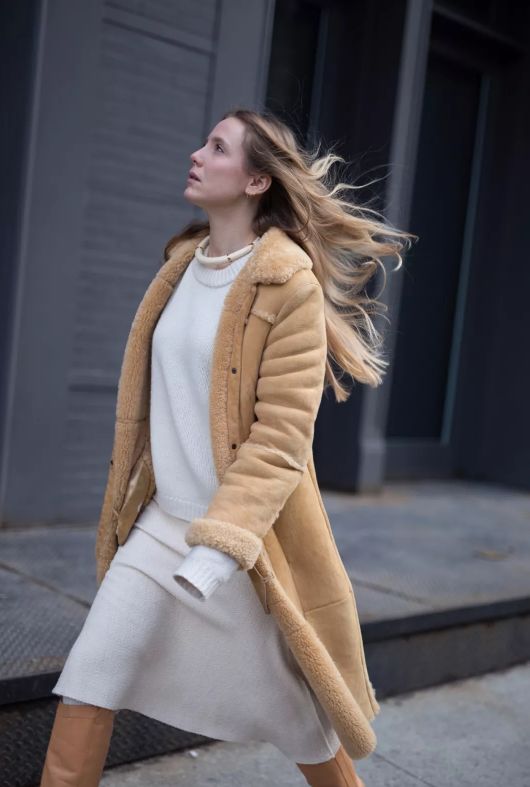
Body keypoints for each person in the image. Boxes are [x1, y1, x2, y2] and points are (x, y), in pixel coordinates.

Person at [40, 108, 415, 786]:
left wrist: (218, 549)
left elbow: (280, 440)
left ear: (255, 181)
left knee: (297, 715)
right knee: (89, 675)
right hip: (159, 526)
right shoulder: (179, 266)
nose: (197, 154)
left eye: (217, 147)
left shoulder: (289, 284)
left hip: (239, 543)